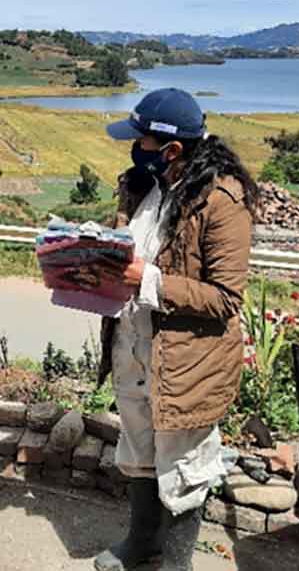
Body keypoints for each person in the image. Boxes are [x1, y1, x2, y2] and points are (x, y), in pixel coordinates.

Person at [92, 88, 257, 571]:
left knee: (183, 467)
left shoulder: (222, 201)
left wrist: (147, 279)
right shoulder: (145, 186)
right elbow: (131, 249)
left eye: (140, 140)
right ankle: (142, 543)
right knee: (140, 449)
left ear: (171, 150)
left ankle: (176, 563)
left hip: (186, 361)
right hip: (133, 345)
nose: (133, 148)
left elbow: (226, 298)